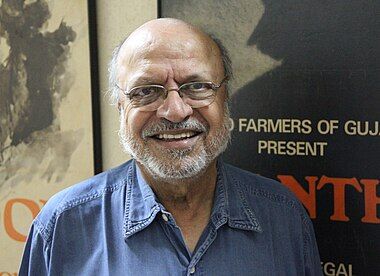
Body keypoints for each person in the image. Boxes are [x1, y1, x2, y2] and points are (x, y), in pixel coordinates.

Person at [19, 18, 322, 275]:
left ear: (224, 96)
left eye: (197, 86)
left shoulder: (284, 219)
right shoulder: (62, 227)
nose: (175, 111)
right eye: (146, 91)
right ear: (120, 105)